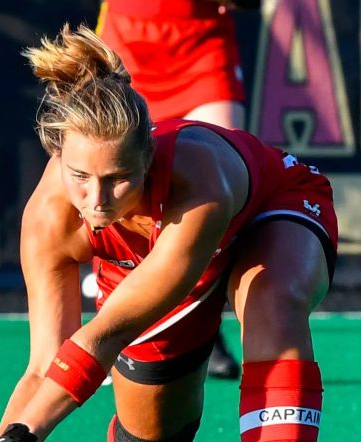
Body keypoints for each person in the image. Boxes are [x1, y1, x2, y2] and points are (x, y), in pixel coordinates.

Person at [0, 25, 340, 442]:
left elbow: (103, 334)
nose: (97, 199)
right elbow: (46, 362)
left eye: (119, 177)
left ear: (149, 154)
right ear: (56, 156)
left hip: (269, 210)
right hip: (149, 266)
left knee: (272, 301)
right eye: (80, 177)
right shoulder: (49, 224)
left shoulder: (198, 180)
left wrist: (24, 438)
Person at [95, 0, 260, 380]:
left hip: (202, 37)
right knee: (115, 187)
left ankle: (205, 325)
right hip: (128, 37)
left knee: (223, 181)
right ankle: (111, 330)